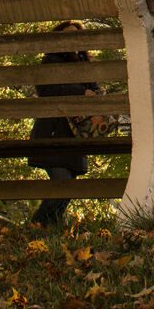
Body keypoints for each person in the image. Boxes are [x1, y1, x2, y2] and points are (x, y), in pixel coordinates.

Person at [28, 21, 103, 226]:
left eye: (77, 36)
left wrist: (95, 96)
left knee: (68, 190)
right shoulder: (50, 62)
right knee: (61, 185)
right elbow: (48, 91)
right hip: (53, 134)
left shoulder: (84, 64)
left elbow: (95, 92)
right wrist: (81, 93)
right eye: (68, 35)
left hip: (75, 137)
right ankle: (37, 226)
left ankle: (47, 229)